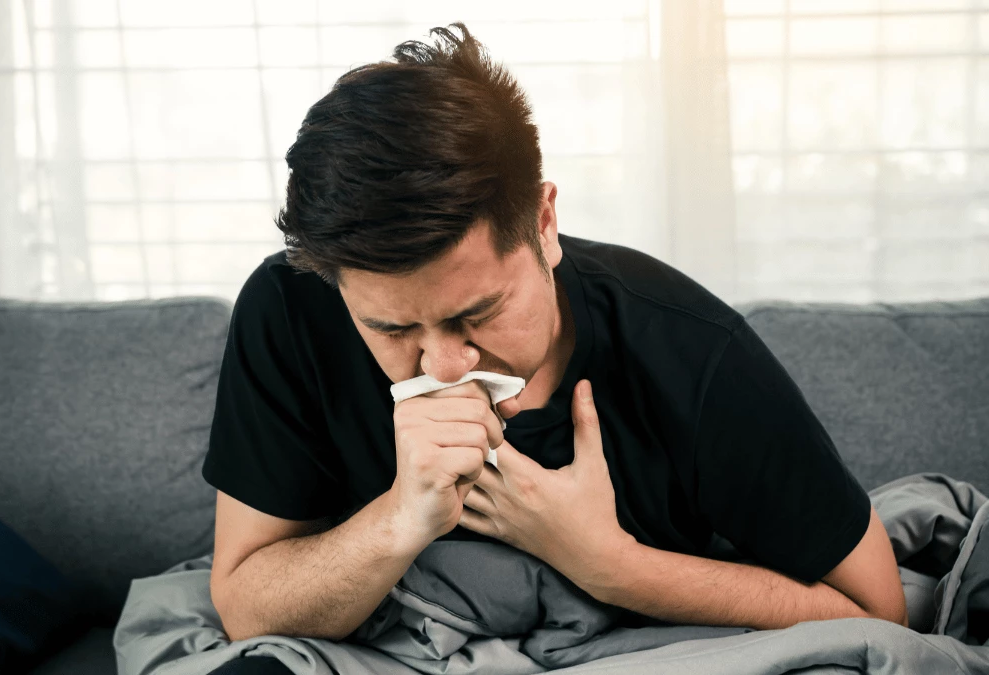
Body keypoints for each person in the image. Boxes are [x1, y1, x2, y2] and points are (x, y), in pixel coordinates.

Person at [200, 23, 908, 675]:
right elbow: (245, 603)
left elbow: (882, 613)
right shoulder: (291, 306)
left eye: (477, 313)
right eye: (391, 329)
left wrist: (612, 564)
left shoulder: (692, 349)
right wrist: (398, 518)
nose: (444, 367)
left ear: (543, 222)